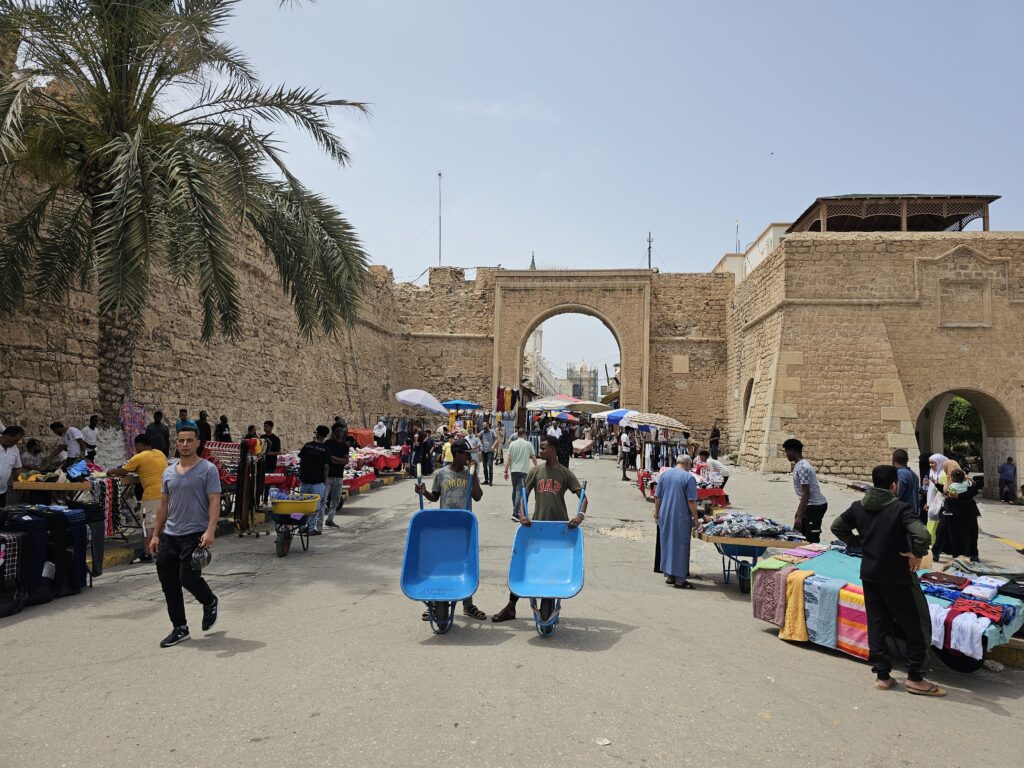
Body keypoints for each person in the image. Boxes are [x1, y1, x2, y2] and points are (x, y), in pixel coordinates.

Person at [830, 465, 944, 696]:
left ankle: (882, 676)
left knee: (877, 623)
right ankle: (915, 677)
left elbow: (837, 527)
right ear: (894, 485)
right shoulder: (900, 509)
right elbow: (922, 535)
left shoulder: (858, 506)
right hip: (898, 577)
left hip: (870, 574)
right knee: (915, 625)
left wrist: (858, 544)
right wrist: (917, 553)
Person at [492, 435, 587, 623]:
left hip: (560, 530)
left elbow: (583, 497)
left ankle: (549, 605)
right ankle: (511, 607)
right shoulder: (535, 471)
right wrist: (521, 515)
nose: (540, 452)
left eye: (543, 448)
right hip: (537, 527)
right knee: (525, 566)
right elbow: (523, 496)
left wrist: (579, 516)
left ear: (553, 449)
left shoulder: (565, 473)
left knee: (552, 568)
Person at [150, 426, 221, 648]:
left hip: (194, 535)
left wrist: (210, 530)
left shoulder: (208, 470)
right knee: (168, 583)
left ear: (198, 443)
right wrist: (155, 535)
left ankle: (209, 601)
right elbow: (163, 505)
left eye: (190, 440)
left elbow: (214, 502)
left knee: (188, 579)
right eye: (181, 440)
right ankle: (180, 628)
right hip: (170, 535)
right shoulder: (169, 471)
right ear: (177, 443)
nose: (185, 445)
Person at [414, 439, 487, 621]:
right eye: (466, 454)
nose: (469, 458)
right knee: (441, 564)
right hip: (444, 527)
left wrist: (474, 474)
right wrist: (423, 492)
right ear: (457, 454)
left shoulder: (468, 474)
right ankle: (435, 602)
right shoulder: (440, 474)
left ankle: (468, 604)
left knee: (465, 564)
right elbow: (435, 496)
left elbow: (477, 497)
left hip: (463, 527)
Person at [108, 434, 169, 562]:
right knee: (161, 525)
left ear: (140, 445)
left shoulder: (139, 457)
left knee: (148, 526)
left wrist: (111, 471)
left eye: (136, 446)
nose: (135, 448)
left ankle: (147, 553)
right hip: (165, 494)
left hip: (151, 496)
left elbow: (123, 471)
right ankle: (162, 551)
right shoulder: (160, 453)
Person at [654, 454, 699, 589]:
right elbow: (691, 501)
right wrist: (696, 518)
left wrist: (657, 512)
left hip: (665, 514)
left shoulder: (665, 475)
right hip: (680, 516)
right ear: (687, 464)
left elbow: (657, 497)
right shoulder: (688, 478)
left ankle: (670, 575)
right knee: (680, 546)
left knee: (667, 543)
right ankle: (680, 579)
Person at [782, 438, 827, 544]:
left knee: (812, 539)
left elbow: (806, 493)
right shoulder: (799, 465)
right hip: (809, 505)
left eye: (786, 452)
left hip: (815, 506)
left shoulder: (803, 467)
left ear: (792, 451)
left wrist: (799, 515)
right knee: (798, 535)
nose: (786, 455)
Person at [297, 426, 331, 535]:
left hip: (305, 481)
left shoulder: (307, 446)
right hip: (317, 482)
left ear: (316, 433)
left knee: (302, 505)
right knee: (315, 507)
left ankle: (301, 527)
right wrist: (325, 482)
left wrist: (300, 476)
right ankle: (311, 529)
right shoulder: (326, 449)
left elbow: (301, 462)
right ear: (325, 436)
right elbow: (326, 467)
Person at [504, 427, 538, 521]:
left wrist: (506, 471)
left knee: (515, 491)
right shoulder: (528, 444)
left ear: (517, 434)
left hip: (513, 470)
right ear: (525, 435)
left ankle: (517, 510)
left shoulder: (512, 444)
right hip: (524, 471)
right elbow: (533, 457)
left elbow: (509, 458)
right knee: (520, 491)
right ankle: (516, 513)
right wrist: (537, 468)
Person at [323, 423, 350, 528]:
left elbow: (346, 461)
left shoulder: (344, 445)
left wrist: (334, 459)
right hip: (328, 476)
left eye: (341, 431)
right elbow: (327, 458)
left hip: (339, 476)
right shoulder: (328, 443)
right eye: (338, 431)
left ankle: (330, 519)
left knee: (336, 500)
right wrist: (340, 460)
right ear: (333, 432)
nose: (340, 433)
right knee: (323, 499)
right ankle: (319, 521)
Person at [892, 449, 920, 521]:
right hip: (913, 514)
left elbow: (897, 495)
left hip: (904, 515)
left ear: (894, 460)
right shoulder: (913, 474)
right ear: (907, 460)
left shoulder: (900, 473)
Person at [0, 425, 25, 506]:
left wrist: (18, 481)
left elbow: (17, 467)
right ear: (6, 436)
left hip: (2, 490)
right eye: (14, 441)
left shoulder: (14, 448)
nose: (15, 443)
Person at [262, 420, 281, 502]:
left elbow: (278, 452)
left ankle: (265, 500)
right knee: (260, 482)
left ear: (271, 427)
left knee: (267, 483)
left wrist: (268, 453)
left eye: (266, 426)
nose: (265, 428)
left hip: (270, 464)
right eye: (264, 426)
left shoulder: (276, 439)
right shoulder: (262, 438)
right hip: (261, 463)